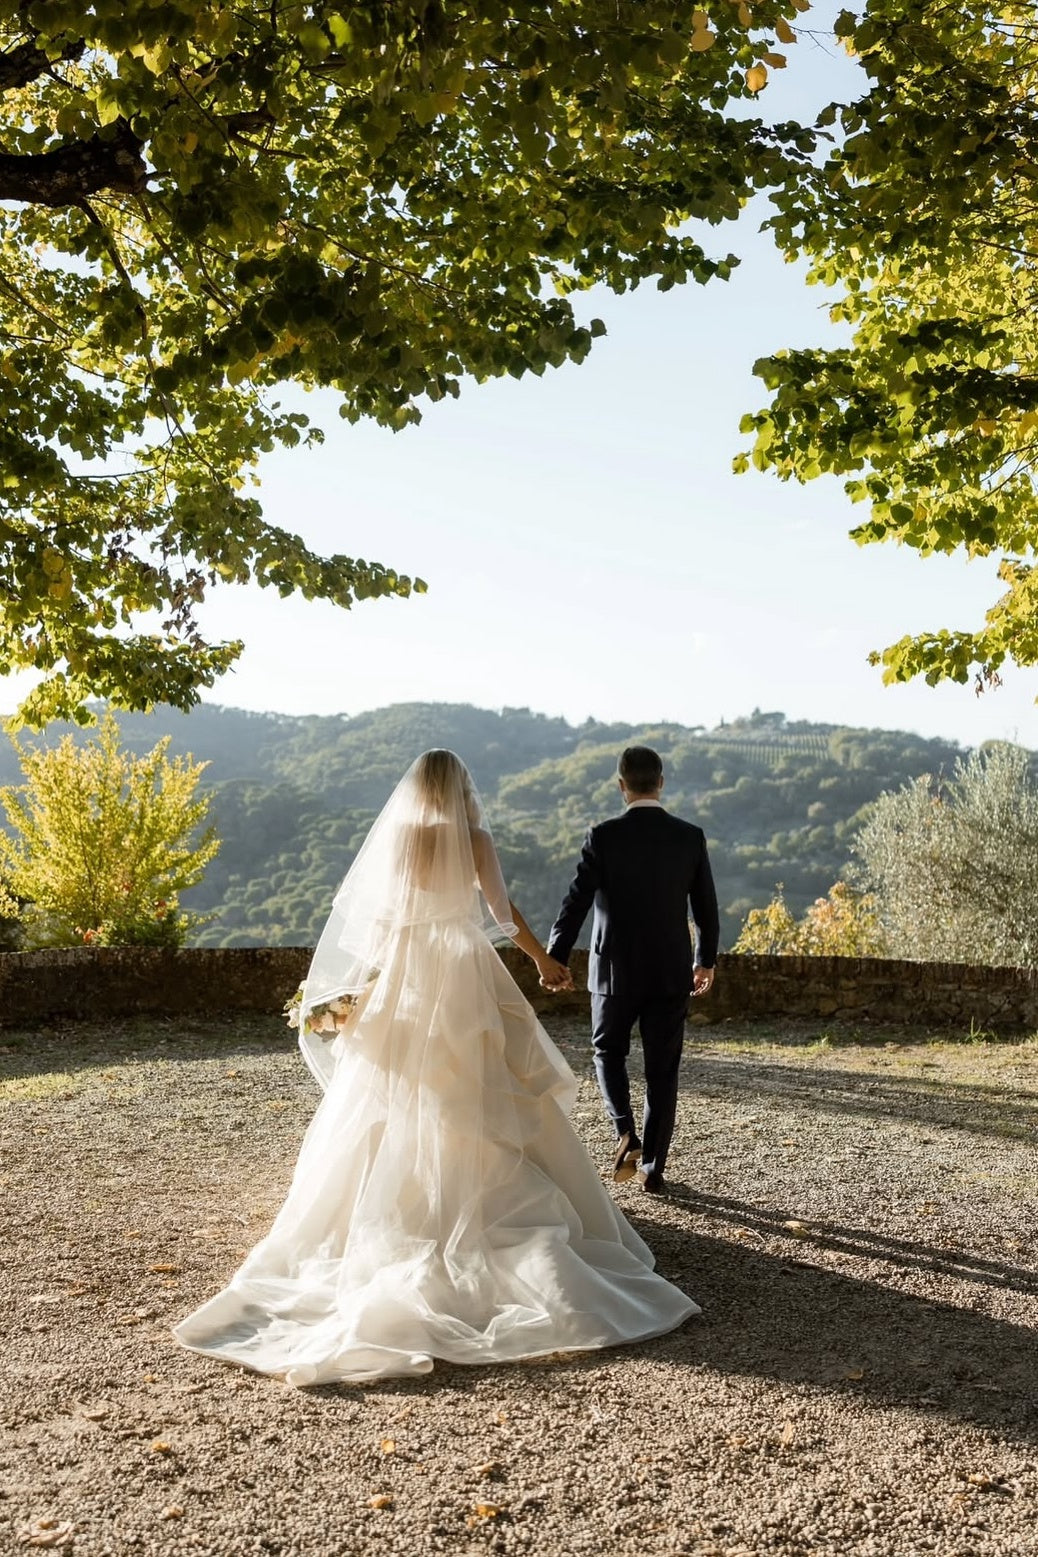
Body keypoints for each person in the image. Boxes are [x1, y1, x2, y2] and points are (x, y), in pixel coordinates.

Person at [173, 749, 698, 1386]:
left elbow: (374, 921)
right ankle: (475, 1197)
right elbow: (501, 914)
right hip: (460, 966)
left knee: (403, 1088)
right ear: (462, 791)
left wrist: (361, 989)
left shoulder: (398, 838)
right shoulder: (473, 839)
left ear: (417, 791)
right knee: (476, 1080)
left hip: (407, 971)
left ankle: (403, 1203)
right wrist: (542, 960)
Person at [547, 746, 719, 1195]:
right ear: (660, 782)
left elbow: (576, 902)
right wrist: (705, 961)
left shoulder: (603, 836)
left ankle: (625, 1130)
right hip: (670, 971)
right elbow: (706, 909)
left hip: (613, 971)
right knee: (663, 1070)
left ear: (621, 785)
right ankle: (653, 1169)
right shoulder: (689, 837)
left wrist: (556, 955)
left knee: (607, 1052)